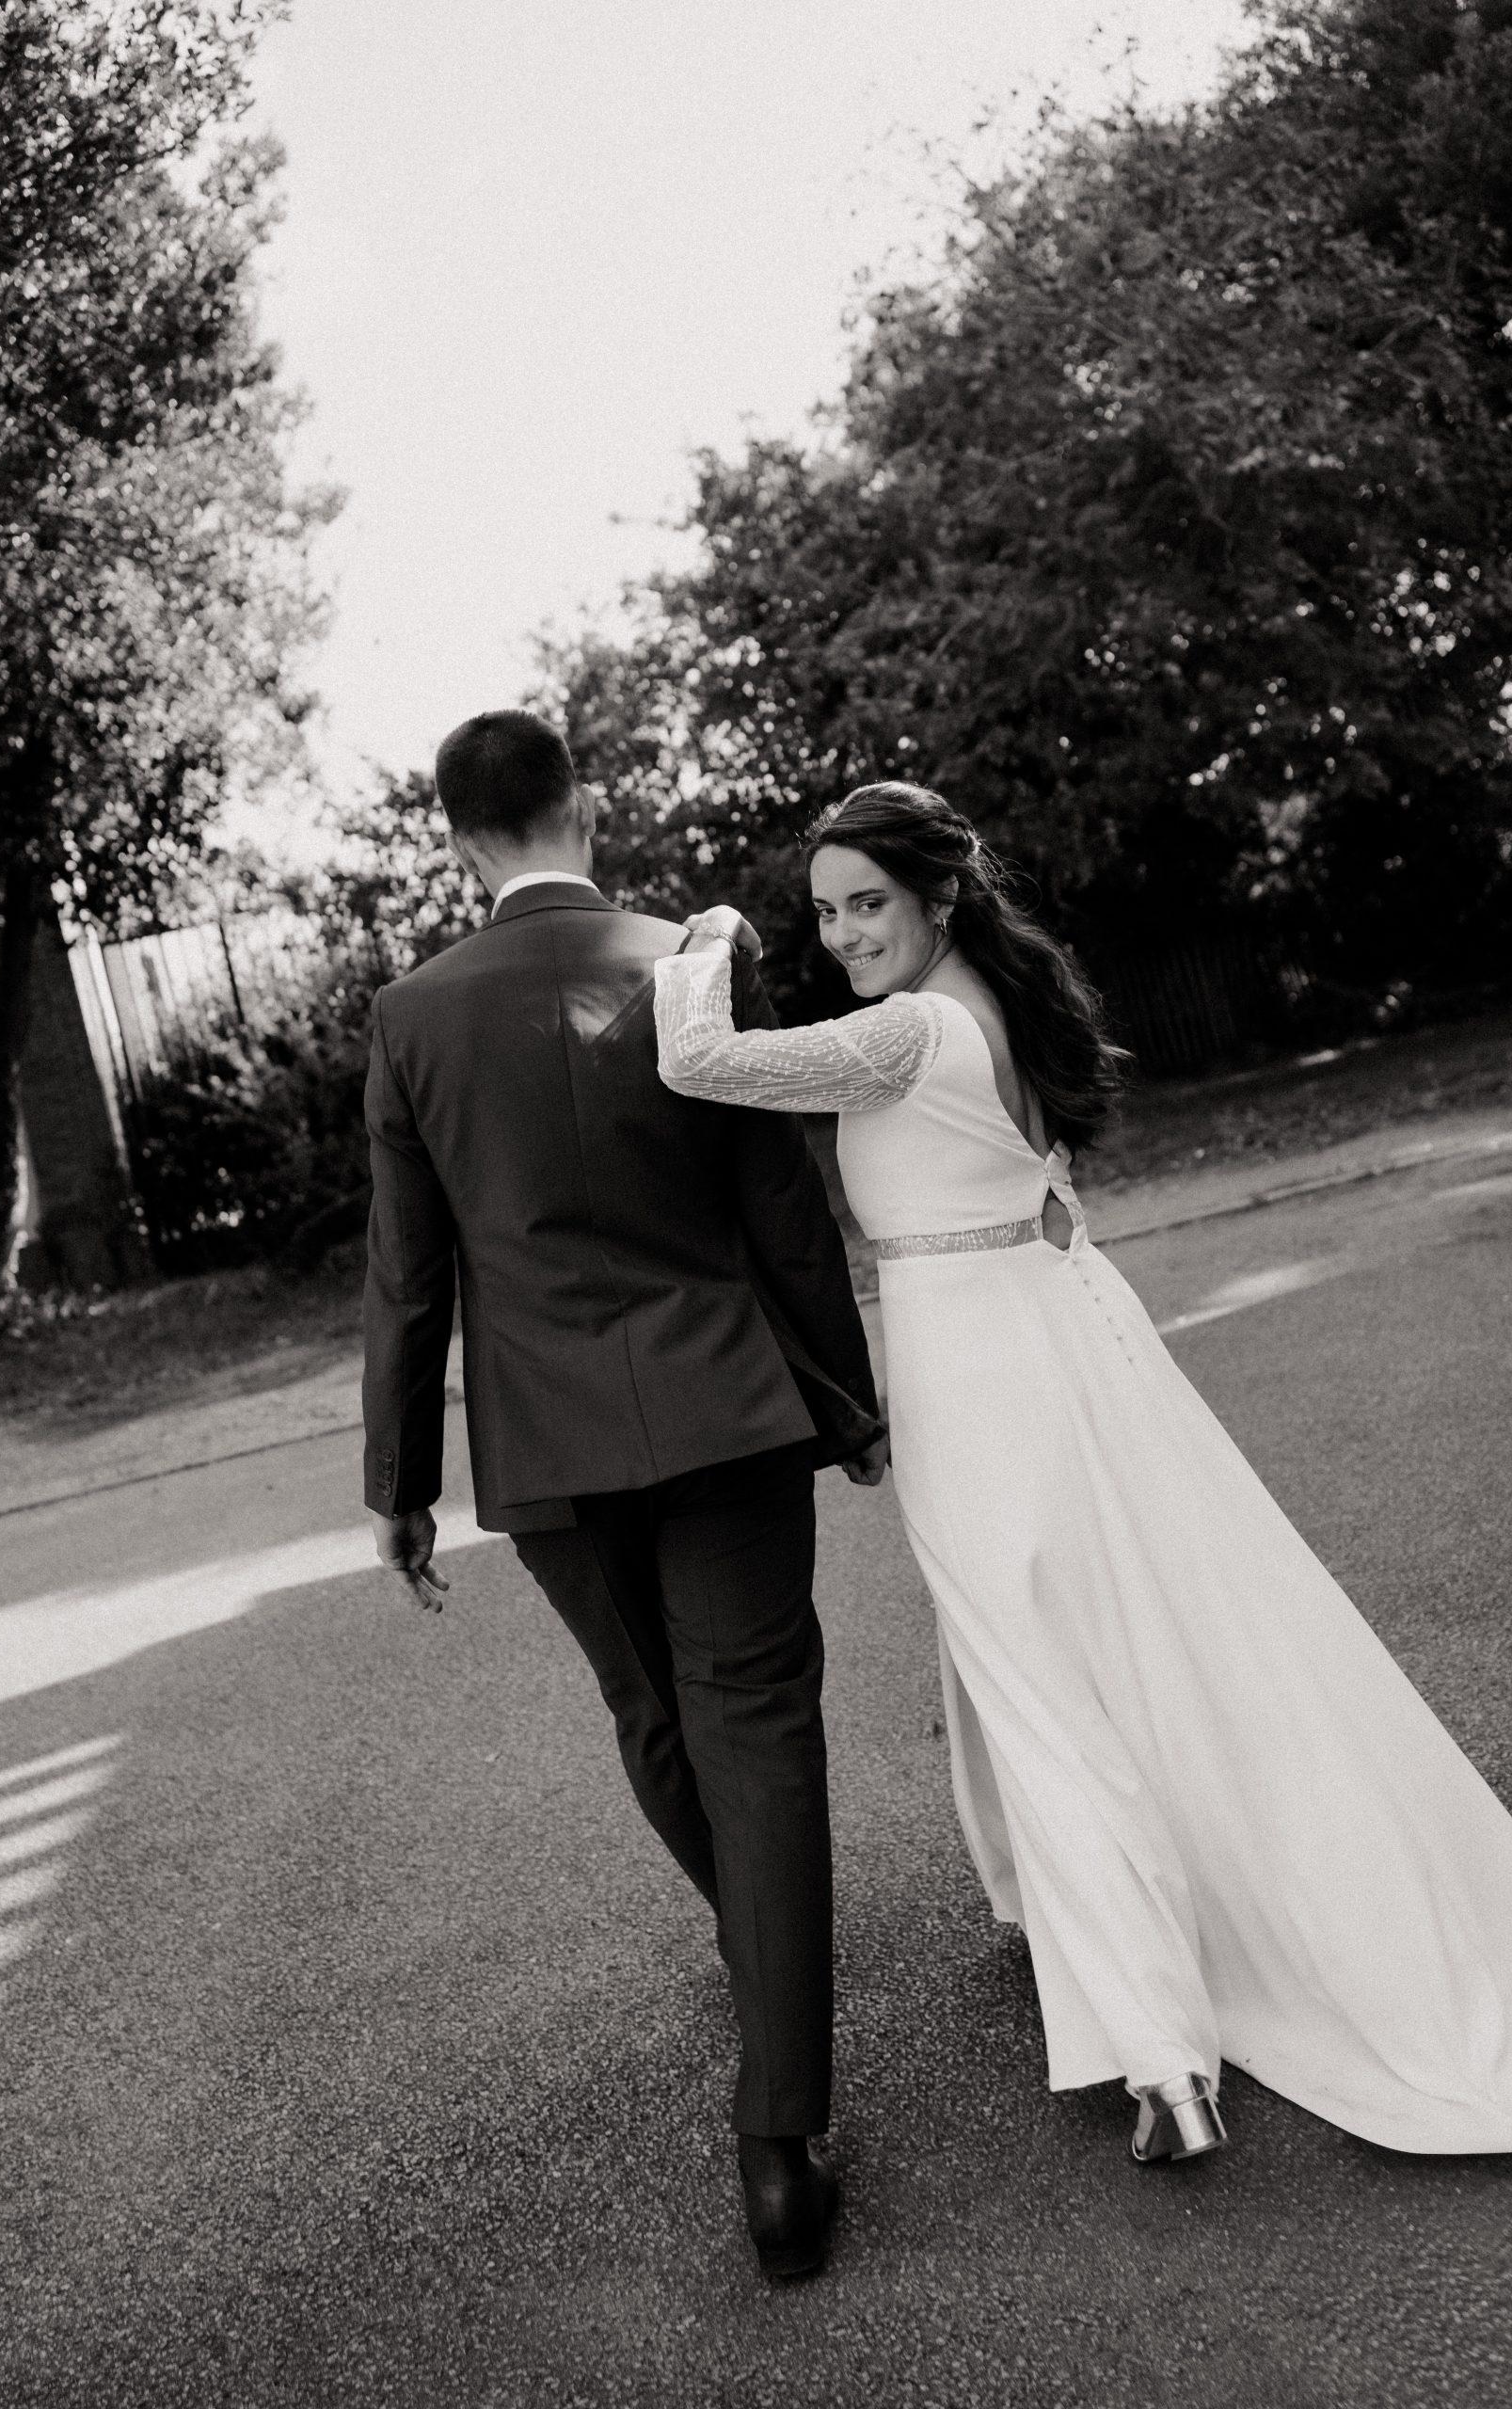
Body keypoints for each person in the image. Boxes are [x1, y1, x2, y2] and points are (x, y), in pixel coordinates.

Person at [654, 777, 1512, 2163]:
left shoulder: (905, 1034)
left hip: (981, 1374)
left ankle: (1158, 2053)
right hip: (1047, 1334)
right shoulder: (1000, 1007)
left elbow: (699, 1063)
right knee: (1078, 1651)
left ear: (938, 898)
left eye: (869, 905)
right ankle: (1058, 1914)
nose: (845, 935)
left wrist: (700, 944)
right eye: (827, 912)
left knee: (1040, 1679)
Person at [362, 710, 888, 2278]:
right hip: (727, 1407)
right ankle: (780, 2139)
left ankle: (769, 1979)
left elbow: (407, 1278)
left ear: (459, 840)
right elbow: (780, 1207)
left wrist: (398, 1484)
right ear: (585, 806)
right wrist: (844, 1398)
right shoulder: (688, 961)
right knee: (757, 1722)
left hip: (548, 1454)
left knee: (658, 1721)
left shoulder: (410, 1015)